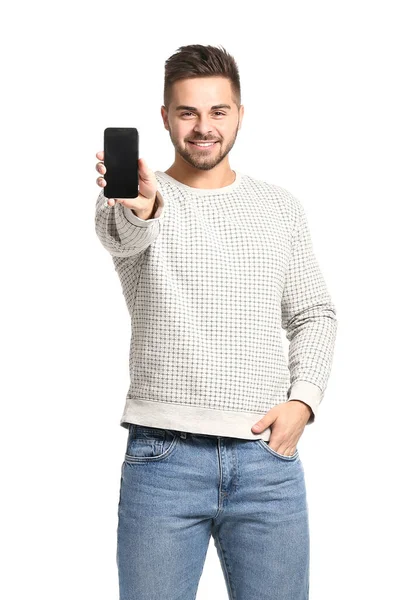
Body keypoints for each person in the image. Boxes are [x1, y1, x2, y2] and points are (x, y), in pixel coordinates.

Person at [94, 44, 337, 600]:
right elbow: (123, 238)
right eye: (187, 113)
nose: (204, 127)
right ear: (165, 118)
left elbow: (314, 313)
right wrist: (142, 206)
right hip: (163, 462)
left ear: (239, 114)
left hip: (266, 463)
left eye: (217, 112)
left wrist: (303, 403)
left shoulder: (279, 207)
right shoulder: (136, 201)